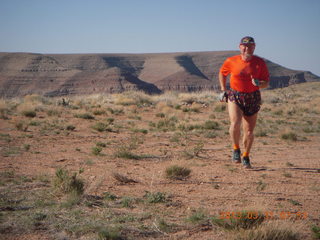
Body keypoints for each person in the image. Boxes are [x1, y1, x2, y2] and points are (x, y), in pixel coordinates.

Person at [218, 36, 269, 169]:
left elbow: (266, 83)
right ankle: (236, 149)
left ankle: (246, 155)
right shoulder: (231, 61)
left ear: (254, 47)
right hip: (235, 94)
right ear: (240, 47)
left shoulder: (260, 63)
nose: (247, 48)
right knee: (235, 123)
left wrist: (259, 83)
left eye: (250, 46)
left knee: (249, 132)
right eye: (244, 46)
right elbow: (222, 73)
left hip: (252, 97)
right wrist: (223, 89)